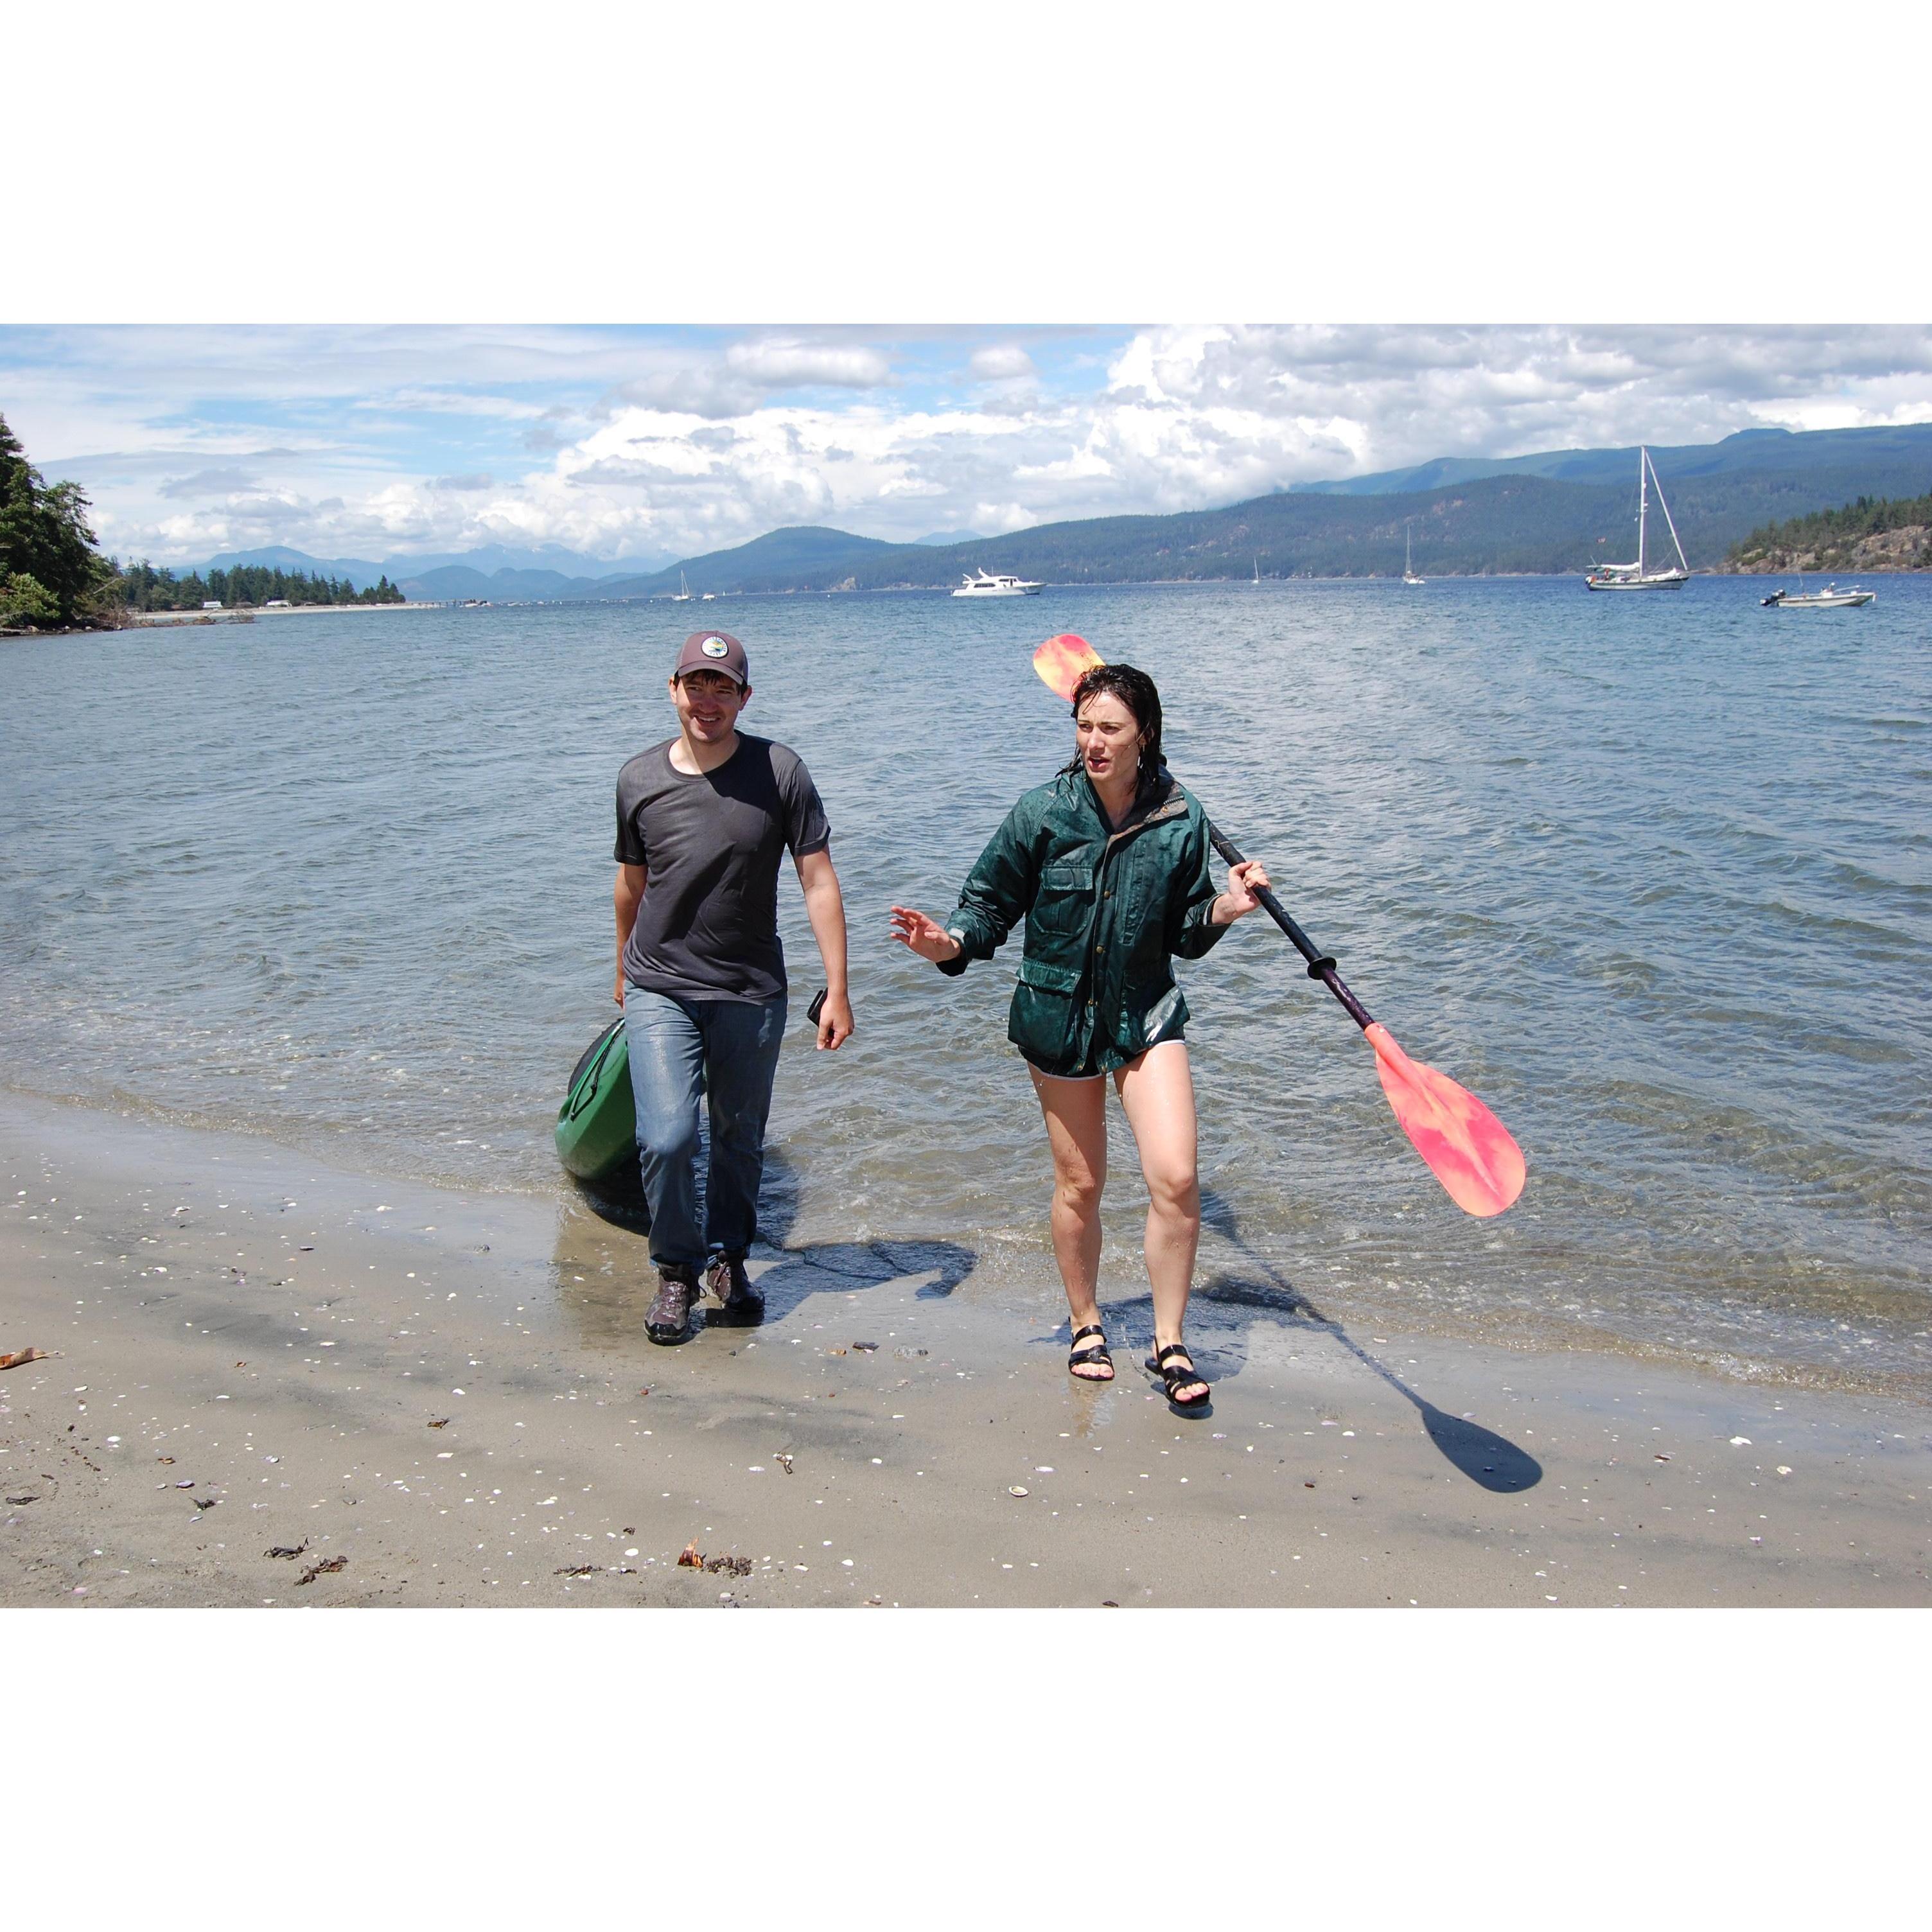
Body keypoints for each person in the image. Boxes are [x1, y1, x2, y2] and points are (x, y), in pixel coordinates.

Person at [889, 661, 1268, 1411]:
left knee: (1177, 1177)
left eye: (1110, 729)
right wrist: (948, 943)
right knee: (1082, 1183)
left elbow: (1185, 933)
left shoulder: (1179, 817)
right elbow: (986, 906)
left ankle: (1168, 1339)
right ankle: (1086, 1321)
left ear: (1144, 735)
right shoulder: (1042, 812)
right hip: (1058, 1018)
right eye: (1084, 726)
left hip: (1146, 1014)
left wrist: (1224, 908)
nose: (1093, 742)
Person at [614, 629, 853, 1344]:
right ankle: (675, 1270)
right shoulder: (637, 778)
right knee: (668, 1135)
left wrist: (837, 986)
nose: (707, 700)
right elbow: (630, 885)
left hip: (751, 988)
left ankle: (728, 1258)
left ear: (744, 696)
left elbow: (817, 878)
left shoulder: (779, 770)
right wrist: (619, 970)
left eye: (723, 687)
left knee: (739, 1138)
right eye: (696, 684)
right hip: (660, 981)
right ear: (672, 689)